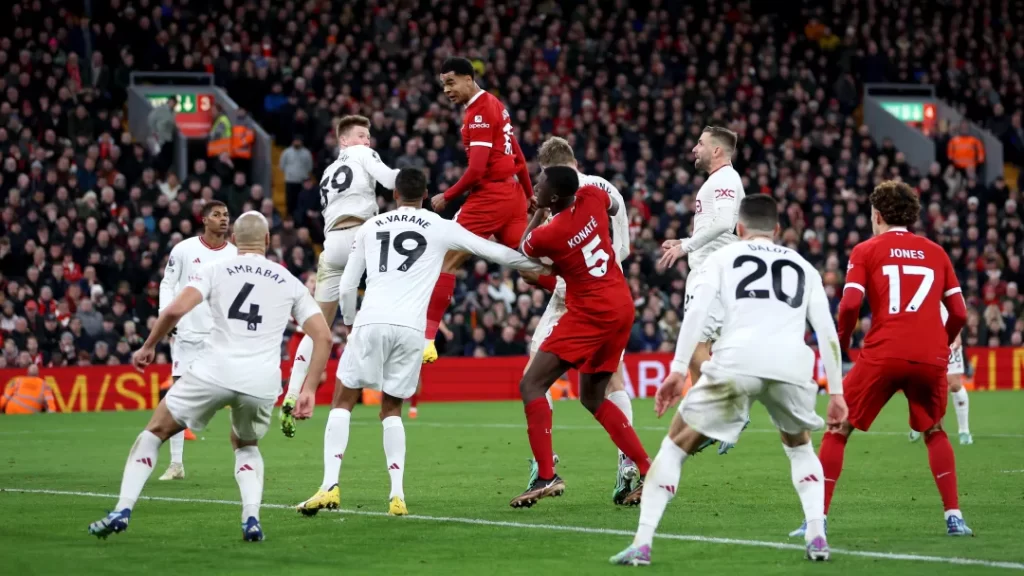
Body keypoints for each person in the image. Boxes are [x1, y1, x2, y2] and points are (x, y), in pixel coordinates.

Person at [292, 168, 545, 517]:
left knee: (342, 402)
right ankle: (397, 495)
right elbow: (494, 252)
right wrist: (543, 266)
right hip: (411, 330)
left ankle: (329, 487)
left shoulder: (370, 227)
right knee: (391, 409)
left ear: (394, 194)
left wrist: (349, 324)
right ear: (426, 195)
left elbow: (348, 285)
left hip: (371, 321)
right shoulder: (441, 226)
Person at [610, 194, 846, 566]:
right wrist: (836, 391)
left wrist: (677, 369)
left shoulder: (722, 258)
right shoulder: (804, 266)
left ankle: (642, 543)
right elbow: (827, 332)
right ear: (778, 230)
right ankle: (816, 534)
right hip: (791, 365)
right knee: (800, 449)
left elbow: (697, 314)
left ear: (739, 229)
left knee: (673, 448)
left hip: (738, 361)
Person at [88, 211, 332, 542]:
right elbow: (324, 337)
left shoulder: (216, 268)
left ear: (233, 240)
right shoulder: (288, 280)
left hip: (214, 370)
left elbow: (174, 310)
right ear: (267, 241)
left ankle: (123, 509)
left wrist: (148, 346)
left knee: (155, 430)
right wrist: (309, 390)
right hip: (261, 381)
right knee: (245, 443)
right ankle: (251, 518)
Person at [789, 180, 972, 539]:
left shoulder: (866, 250)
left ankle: (817, 520)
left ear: (876, 215)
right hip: (930, 356)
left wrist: (839, 342)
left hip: (884, 352)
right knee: (935, 430)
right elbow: (960, 313)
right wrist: (943, 344)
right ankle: (954, 516)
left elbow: (851, 305)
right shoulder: (937, 252)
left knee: (839, 429)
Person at [508, 166, 650, 509]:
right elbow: (615, 207)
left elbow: (524, 249)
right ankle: (648, 468)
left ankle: (546, 475)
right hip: (621, 305)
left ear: (554, 197)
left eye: (540, 185)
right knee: (592, 396)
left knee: (531, 385)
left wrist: (538, 213)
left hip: (590, 313)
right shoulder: (591, 198)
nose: (535, 186)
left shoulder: (550, 232)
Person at [280, 115, 399, 438]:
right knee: (386, 299)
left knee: (317, 327)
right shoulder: (361, 155)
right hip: (362, 234)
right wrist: (412, 180)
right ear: (344, 141)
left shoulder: (328, 172)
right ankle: (381, 371)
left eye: (369, 136)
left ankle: (292, 392)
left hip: (332, 243)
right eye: (361, 135)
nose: (367, 141)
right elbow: (389, 180)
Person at [423, 56, 534, 364]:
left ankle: (427, 338)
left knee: (448, 259)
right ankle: (573, 293)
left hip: (490, 197)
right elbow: (519, 155)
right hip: (511, 192)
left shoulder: (480, 111)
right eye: (443, 84)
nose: (446, 90)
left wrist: (448, 195)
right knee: (530, 267)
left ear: (469, 79)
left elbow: (476, 169)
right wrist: (528, 192)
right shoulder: (496, 105)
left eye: (450, 82)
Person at [658, 126, 747, 455]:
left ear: (718, 151)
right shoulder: (718, 180)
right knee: (706, 350)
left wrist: (686, 245)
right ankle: (717, 415)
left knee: (696, 346)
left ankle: (726, 412)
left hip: (713, 272)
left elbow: (725, 223)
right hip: (712, 269)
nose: (694, 148)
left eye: (700, 144)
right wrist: (687, 243)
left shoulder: (724, 179)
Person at [156, 200, 237, 480]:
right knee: (178, 396)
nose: (223, 219)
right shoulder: (184, 250)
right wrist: (166, 316)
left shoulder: (236, 255)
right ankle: (176, 464)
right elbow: (168, 283)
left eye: (226, 215)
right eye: (216, 215)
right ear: (204, 220)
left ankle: (245, 457)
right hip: (188, 334)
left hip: (222, 337)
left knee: (239, 394)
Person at [909, 303, 972, 445]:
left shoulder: (947, 283)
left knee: (954, 384)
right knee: (924, 384)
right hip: (925, 339)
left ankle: (964, 431)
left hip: (949, 337)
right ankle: (922, 423)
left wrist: (957, 335)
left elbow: (957, 308)